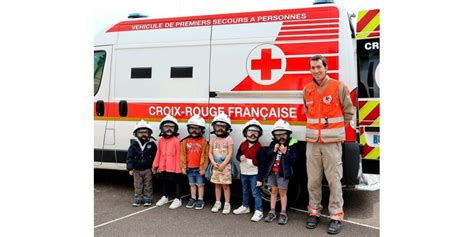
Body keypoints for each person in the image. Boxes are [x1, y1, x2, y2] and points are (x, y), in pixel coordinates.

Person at [303, 55, 355, 234]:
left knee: (334, 180)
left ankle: (336, 216)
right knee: (313, 180)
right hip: (312, 143)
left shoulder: (338, 86)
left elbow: (349, 111)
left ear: (326, 67)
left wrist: (336, 129)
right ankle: (314, 212)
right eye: (313, 68)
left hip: (332, 143)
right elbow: (307, 112)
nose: (316, 71)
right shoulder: (307, 89)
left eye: (319, 67)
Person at [261, 119, 298, 225]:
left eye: (283, 135)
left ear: (288, 134)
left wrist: (286, 153)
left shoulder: (292, 143)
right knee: (273, 191)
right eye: (278, 135)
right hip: (273, 172)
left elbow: (295, 159)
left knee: (282, 193)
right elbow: (267, 155)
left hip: (283, 173)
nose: (281, 138)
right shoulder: (274, 143)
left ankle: (283, 213)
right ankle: (272, 211)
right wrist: (273, 150)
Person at [233, 119, 265, 222]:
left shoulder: (259, 148)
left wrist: (260, 179)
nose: (252, 135)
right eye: (250, 132)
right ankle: (245, 206)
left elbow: (262, 165)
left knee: (255, 193)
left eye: (255, 132)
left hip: (254, 174)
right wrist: (239, 158)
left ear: (259, 134)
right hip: (244, 173)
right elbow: (237, 155)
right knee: (245, 190)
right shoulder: (243, 144)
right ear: (246, 133)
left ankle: (259, 210)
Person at [152, 115, 183, 209]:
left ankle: (178, 199)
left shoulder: (176, 141)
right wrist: (155, 165)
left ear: (175, 129)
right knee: (165, 181)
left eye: (171, 127)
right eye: (166, 127)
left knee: (177, 182)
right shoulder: (161, 140)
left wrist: (179, 169)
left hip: (174, 167)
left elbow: (179, 155)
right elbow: (158, 153)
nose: (169, 129)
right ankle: (165, 196)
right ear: (162, 128)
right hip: (163, 166)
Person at [180, 114, 209, 210]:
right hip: (189, 168)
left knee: (200, 185)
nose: (194, 131)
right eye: (192, 128)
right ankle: (193, 198)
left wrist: (203, 168)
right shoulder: (185, 141)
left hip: (199, 168)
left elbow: (205, 156)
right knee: (192, 184)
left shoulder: (204, 142)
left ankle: (200, 199)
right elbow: (183, 155)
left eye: (197, 129)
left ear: (201, 130)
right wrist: (183, 166)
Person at [126, 120, 157, 207]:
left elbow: (155, 156)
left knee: (148, 185)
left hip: (148, 169)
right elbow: (129, 157)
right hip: (136, 170)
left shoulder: (152, 144)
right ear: (136, 134)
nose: (143, 135)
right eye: (140, 133)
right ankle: (138, 198)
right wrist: (130, 168)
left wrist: (155, 167)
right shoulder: (134, 144)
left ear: (149, 133)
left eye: (145, 132)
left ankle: (148, 198)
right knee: (138, 185)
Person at [208, 113, 234, 214]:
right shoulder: (213, 139)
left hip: (225, 166)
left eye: (222, 127)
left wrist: (224, 164)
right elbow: (210, 152)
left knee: (226, 185)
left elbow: (230, 152)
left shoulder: (229, 139)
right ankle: (218, 202)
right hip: (215, 165)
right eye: (217, 126)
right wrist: (213, 162)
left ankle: (227, 204)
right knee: (217, 185)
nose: (219, 129)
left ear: (227, 128)